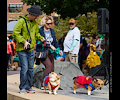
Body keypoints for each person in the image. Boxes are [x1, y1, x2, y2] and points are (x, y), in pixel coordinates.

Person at [12, 5, 45, 94]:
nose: (37, 17)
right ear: (31, 14)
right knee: (25, 68)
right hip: (22, 49)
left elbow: (36, 34)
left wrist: (41, 38)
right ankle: (22, 87)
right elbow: (15, 33)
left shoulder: (34, 23)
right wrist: (23, 41)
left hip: (30, 49)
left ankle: (29, 87)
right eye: (36, 16)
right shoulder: (21, 21)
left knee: (31, 68)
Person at [36, 15, 62, 89]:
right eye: (48, 23)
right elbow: (40, 42)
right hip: (43, 51)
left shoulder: (52, 31)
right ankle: (43, 84)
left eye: (51, 23)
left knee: (52, 69)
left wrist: (59, 50)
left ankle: (50, 84)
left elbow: (55, 42)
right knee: (48, 66)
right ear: (44, 23)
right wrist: (50, 46)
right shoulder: (40, 31)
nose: (49, 25)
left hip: (50, 52)